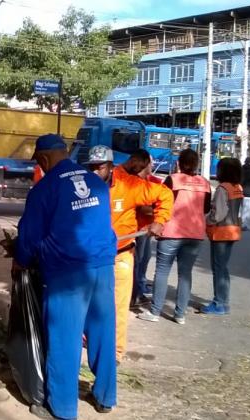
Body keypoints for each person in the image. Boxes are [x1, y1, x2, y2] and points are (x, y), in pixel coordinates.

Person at [14, 134, 118, 419]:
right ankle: (106, 396)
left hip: (66, 273)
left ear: (45, 158)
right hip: (102, 267)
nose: (40, 166)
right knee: (103, 332)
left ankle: (62, 408)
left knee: (64, 339)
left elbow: (29, 237)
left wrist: (20, 262)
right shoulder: (97, 182)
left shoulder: (44, 189)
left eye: (38, 161)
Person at [84, 146, 173, 363]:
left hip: (120, 255)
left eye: (100, 167)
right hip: (91, 257)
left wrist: (159, 221)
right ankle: (90, 339)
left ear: (110, 166)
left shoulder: (129, 185)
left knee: (117, 306)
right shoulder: (83, 187)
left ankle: (114, 353)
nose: (95, 171)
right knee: (89, 303)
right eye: (92, 167)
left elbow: (165, 194)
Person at [137, 149, 211, 325]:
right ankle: (180, 314)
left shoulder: (173, 180)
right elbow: (206, 209)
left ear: (179, 163)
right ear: (196, 164)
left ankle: (155, 311)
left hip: (171, 231)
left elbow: (161, 203)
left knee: (162, 271)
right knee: (185, 274)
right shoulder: (205, 183)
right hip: (194, 234)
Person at [202, 157, 244, 315]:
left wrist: (208, 220)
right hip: (233, 230)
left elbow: (218, 213)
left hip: (221, 232)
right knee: (223, 268)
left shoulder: (222, 188)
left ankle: (218, 303)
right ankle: (224, 302)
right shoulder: (237, 187)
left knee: (218, 269)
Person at [132, 156, 163, 307]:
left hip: (145, 228)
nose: (153, 165)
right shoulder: (134, 182)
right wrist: (156, 211)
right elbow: (140, 206)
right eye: (151, 162)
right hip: (137, 228)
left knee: (144, 258)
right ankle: (135, 294)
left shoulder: (153, 181)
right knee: (137, 260)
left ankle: (139, 287)